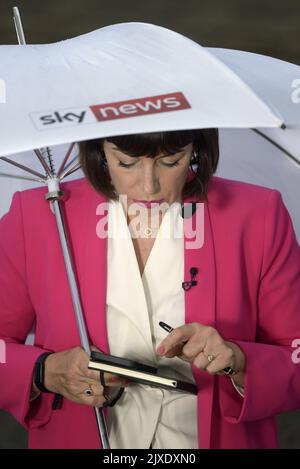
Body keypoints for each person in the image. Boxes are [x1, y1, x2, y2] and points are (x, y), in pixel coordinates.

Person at [0, 129, 300, 449]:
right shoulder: (36, 215)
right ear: (99, 149)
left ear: (196, 150)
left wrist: (238, 360)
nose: (149, 186)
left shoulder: (258, 215)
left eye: (171, 161)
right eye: (126, 163)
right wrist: (43, 372)